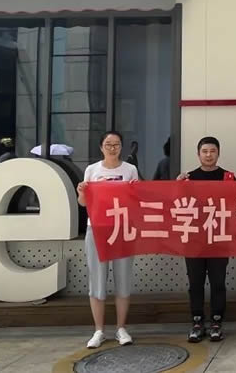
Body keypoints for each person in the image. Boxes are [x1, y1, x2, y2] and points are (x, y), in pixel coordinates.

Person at [77, 130, 138, 349]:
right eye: (108, 144)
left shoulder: (130, 170)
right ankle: (99, 330)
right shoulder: (92, 170)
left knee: (123, 280)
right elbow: (84, 202)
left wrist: (134, 191)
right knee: (97, 281)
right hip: (97, 229)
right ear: (101, 147)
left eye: (116, 144)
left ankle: (121, 328)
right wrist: (81, 192)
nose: (112, 148)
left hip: (122, 229)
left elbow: (136, 199)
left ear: (121, 147)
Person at [177, 136, 236, 343]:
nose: (209, 155)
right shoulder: (189, 178)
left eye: (212, 151)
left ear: (218, 153)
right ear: (198, 154)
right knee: (195, 282)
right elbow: (176, 204)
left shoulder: (228, 177)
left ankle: (217, 321)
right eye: (205, 151)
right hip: (194, 239)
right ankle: (197, 321)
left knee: (218, 282)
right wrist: (177, 186)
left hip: (219, 239)